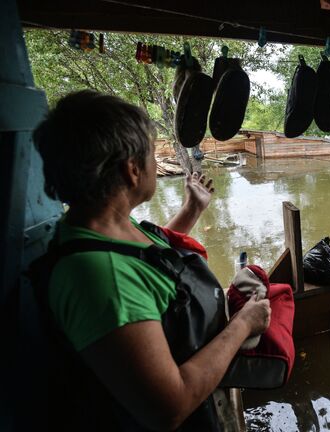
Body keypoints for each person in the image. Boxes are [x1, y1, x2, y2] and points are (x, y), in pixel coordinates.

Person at [33, 90, 270, 431]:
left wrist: (190, 211)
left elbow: (146, 261)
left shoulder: (104, 226)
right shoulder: (101, 279)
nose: (154, 165)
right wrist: (243, 324)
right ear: (132, 170)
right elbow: (169, 407)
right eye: (150, 157)